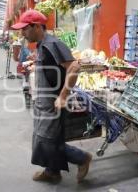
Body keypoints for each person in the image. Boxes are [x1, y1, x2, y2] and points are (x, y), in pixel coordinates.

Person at [11, 9, 92, 184]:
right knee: (44, 139)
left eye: (25, 29)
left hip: (54, 104)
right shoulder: (42, 46)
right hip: (43, 103)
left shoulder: (53, 44)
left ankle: (82, 158)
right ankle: (52, 171)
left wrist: (63, 96)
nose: (22, 33)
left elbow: (74, 67)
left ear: (37, 27)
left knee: (50, 142)